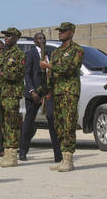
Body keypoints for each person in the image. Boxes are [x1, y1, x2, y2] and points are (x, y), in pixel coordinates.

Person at [40, 22, 83, 172]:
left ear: (71, 33)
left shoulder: (77, 50)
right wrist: (48, 89)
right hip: (57, 92)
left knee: (69, 124)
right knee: (59, 125)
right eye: (60, 31)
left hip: (69, 92)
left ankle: (69, 159)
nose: (61, 33)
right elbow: (51, 74)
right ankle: (63, 156)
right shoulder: (57, 52)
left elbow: (69, 69)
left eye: (64, 31)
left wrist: (48, 66)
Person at [19, 32, 62, 162]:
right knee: (29, 122)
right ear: (34, 41)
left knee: (51, 118)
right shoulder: (30, 54)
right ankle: (22, 151)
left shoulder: (50, 53)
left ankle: (58, 154)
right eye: (39, 38)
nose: (42, 40)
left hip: (48, 92)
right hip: (34, 93)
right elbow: (27, 74)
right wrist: (32, 91)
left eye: (44, 38)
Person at [0, 27, 25, 168]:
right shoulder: (4, 54)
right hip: (3, 94)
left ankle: (12, 156)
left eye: (10, 36)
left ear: (16, 38)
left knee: (12, 124)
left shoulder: (19, 55)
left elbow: (17, 75)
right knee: (4, 125)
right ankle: (6, 153)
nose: (6, 38)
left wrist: (0, 72)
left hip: (12, 93)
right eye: (5, 35)